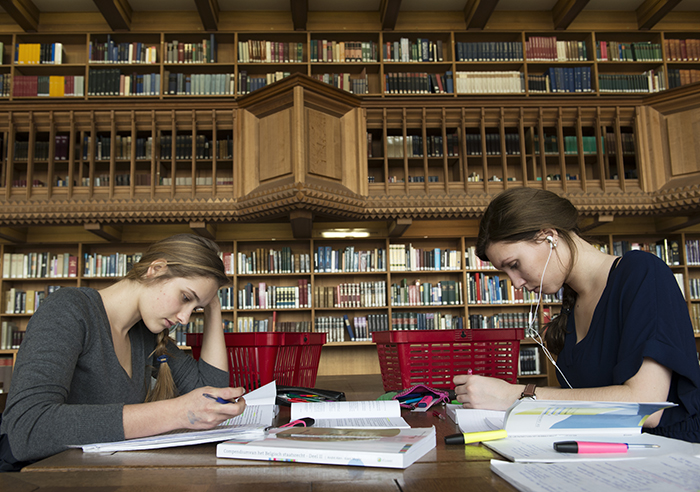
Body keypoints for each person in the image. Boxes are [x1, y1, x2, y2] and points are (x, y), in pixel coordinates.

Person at [453, 187, 700, 442]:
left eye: (514, 265)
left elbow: (648, 407)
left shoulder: (642, 273)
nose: (515, 283)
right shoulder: (572, 303)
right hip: (607, 453)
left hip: (669, 454)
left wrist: (515, 395)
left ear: (548, 236)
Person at [0, 234, 245, 470]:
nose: (184, 318)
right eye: (184, 297)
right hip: (36, 477)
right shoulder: (69, 310)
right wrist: (177, 413)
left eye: (196, 309)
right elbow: (27, 428)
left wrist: (212, 303)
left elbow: (212, 394)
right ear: (156, 269)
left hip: (101, 476)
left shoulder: (145, 334)